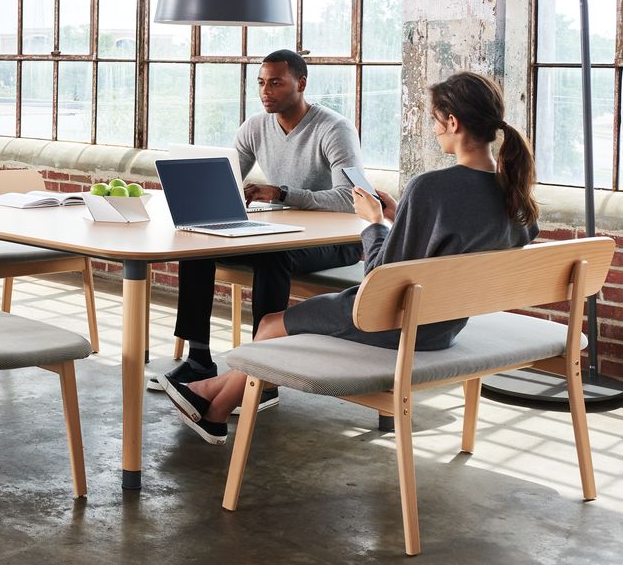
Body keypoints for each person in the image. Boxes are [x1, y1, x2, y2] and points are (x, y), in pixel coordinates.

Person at [161, 71, 540, 445]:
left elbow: (377, 279)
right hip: (444, 326)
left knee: (271, 325)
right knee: (277, 326)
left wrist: (372, 221)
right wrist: (397, 217)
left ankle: (215, 405)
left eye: (435, 120)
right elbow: (462, 243)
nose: (434, 128)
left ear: (453, 122)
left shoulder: (432, 189)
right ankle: (212, 399)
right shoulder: (514, 193)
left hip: (390, 321)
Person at [151, 49, 364, 402]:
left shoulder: (334, 129)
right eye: (262, 83)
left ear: (301, 83)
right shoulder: (255, 127)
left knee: (272, 257)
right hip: (285, 233)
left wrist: (282, 192)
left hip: (339, 241)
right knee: (198, 247)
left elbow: (349, 198)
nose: (266, 91)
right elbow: (227, 178)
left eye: (276, 83)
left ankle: (260, 374)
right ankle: (199, 360)